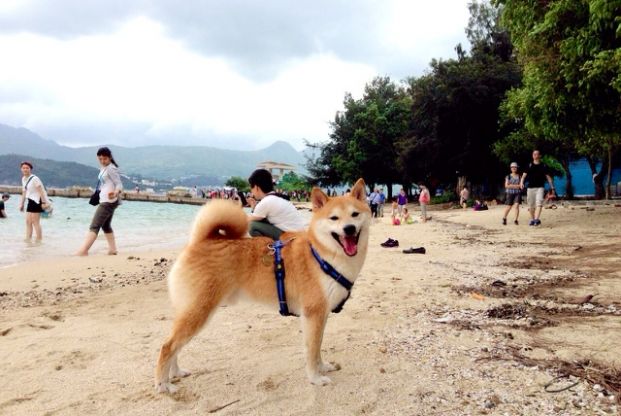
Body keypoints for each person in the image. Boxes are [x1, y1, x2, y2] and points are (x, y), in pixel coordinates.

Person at [75, 147, 123, 256]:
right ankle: (113, 250)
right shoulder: (103, 167)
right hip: (105, 199)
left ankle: (84, 251)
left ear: (110, 157)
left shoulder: (111, 168)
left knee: (94, 226)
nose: (102, 161)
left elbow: (119, 184)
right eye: (100, 159)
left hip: (109, 201)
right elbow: (105, 183)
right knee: (105, 225)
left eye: (105, 159)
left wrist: (115, 192)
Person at [246, 169, 305, 240]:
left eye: (251, 188)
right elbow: (261, 219)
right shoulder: (276, 197)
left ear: (256, 187)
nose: (251, 192)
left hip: (292, 238)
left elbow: (249, 220)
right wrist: (253, 207)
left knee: (252, 226)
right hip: (299, 235)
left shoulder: (266, 201)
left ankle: (267, 247)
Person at [520, 149, 555, 226]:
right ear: (532, 156)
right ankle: (532, 219)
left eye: (537, 154)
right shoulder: (529, 165)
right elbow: (523, 176)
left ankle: (536, 219)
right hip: (530, 188)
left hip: (540, 187)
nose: (535, 155)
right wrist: (521, 183)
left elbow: (548, 177)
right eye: (534, 154)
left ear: (540, 156)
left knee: (539, 203)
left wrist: (552, 187)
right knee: (531, 205)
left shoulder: (544, 166)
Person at [19, 161, 51, 241]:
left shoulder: (34, 178)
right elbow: (24, 191)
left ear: (30, 169)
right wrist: (22, 204)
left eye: (27, 168)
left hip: (38, 200)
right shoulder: (23, 179)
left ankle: (39, 240)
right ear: (21, 169)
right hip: (30, 200)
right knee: (28, 221)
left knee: (35, 222)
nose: (25, 169)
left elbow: (41, 191)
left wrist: (43, 202)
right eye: (23, 168)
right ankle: (28, 239)